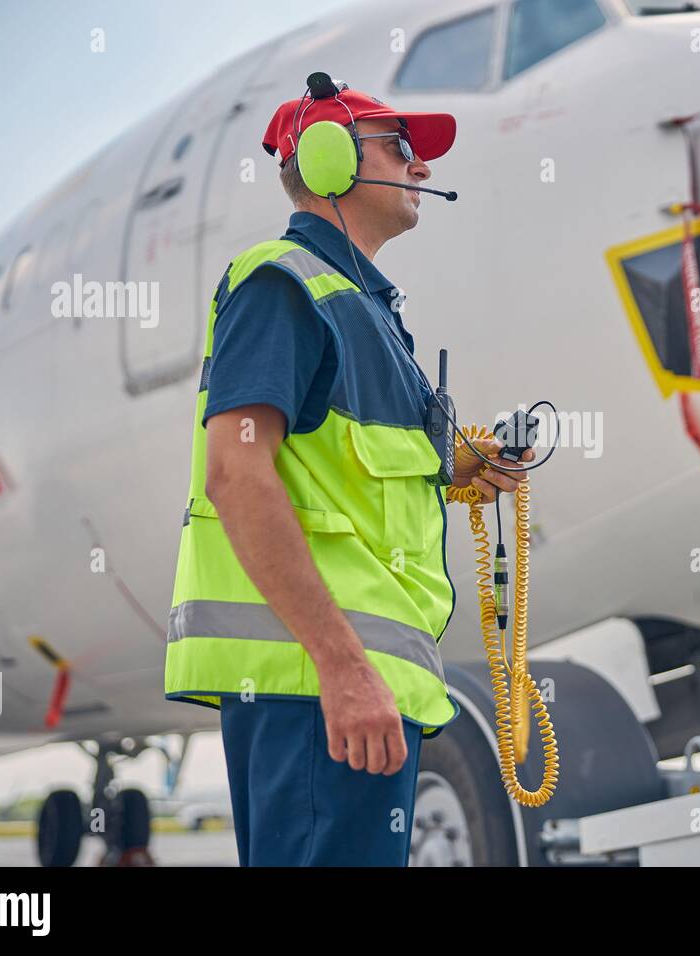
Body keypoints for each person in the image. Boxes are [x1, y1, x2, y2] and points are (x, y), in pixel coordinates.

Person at [163, 81, 531, 866]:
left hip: (356, 688)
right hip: (314, 688)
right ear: (328, 160)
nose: (422, 167)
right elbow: (236, 473)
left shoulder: (366, 312)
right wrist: (343, 669)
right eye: (400, 146)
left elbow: (352, 473)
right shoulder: (283, 286)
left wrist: (463, 464)